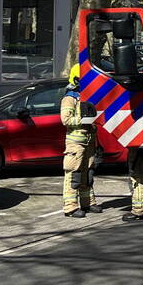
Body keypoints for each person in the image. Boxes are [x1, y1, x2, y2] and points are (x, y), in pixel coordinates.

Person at [61, 64, 102, 217]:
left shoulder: (86, 97)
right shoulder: (69, 98)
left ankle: (88, 203)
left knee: (88, 174)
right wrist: (84, 119)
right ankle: (70, 207)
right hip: (75, 144)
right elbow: (65, 120)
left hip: (89, 141)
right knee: (74, 175)